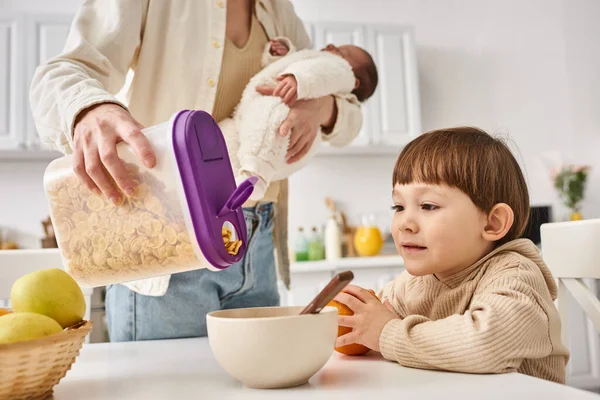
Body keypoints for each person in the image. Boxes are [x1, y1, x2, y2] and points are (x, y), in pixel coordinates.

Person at [29, 0, 363, 341]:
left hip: (258, 242)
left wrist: (325, 106)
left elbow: (345, 100)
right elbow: (62, 73)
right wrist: (89, 108)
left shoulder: (278, 10)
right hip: (170, 244)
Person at [332, 127, 570, 383]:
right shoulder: (413, 284)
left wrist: (388, 333)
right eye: (398, 206)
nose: (404, 224)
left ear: (492, 223)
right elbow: (371, 320)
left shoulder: (517, 277)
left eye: (428, 206)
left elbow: (485, 344)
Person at [221, 37, 378, 200]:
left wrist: (300, 80)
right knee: (223, 141)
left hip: (275, 121)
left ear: (355, 81)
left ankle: (255, 178)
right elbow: (281, 69)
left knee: (271, 118)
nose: (331, 45)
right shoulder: (313, 59)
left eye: (343, 52)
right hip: (243, 117)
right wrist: (280, 55)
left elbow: (319, 73)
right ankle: (220, 183)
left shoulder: (338, 70)